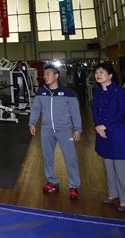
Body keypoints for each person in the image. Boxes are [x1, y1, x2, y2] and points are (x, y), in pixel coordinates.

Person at [29, 65, 83, 200]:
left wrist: (77, 129)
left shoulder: (68, 93)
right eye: (45, 74)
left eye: (48, 74)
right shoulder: (41, 92)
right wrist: (32, 122)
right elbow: (36, 109)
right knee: (47, 157)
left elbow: (75, 113)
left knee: (70, 158)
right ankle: (52, 182)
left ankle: (73, 186)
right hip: (46, 130)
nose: (46, 76)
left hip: (64, 130)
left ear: (56, 76)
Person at [92, 62, 125, 212]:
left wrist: (105, 126)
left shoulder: (119, 91)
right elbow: (94, 111)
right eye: (97, 72)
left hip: (117, 134)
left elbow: (121, 112)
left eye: (101, 72)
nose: (98, 75)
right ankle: (112, 194)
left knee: (120, 167)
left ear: (110, 75)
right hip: (102, 134)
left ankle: (124, 200)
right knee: (108, 166)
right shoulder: (97, 92)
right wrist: (98, 126)